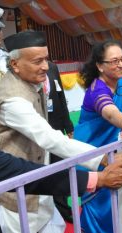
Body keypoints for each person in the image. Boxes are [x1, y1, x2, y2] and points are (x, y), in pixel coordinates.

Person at [0, 44, 122, 233]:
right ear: (15, 64)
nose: (45, 66)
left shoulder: (36, 80)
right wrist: (102, 166)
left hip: (45, 183)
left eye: (46, 59)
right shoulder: (8, 101)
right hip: (18, 196)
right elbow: (45, 142)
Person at [74, 40, 122, 233]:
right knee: (99, 210)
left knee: (118, 207)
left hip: (117, 157)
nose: (121, 64)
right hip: (94, 160)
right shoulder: (96, 89)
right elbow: (109, 112)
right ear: (100, 66)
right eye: (114, 61)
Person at [46, 61, 75, 222]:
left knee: (60, 169)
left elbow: (60, 95)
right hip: (36, 128)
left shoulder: (51, 67)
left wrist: (67, 124)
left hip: (56, 126)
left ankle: (63, 208)